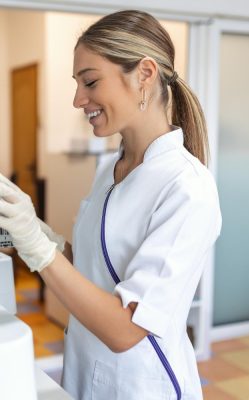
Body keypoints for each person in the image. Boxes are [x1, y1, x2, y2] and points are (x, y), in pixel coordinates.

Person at [0, 9, 221, 400]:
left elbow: (125, 329)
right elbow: (91, 270)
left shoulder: (188, 188)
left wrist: (37, 244)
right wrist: (26, 231)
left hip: (140, 384)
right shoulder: (110, 167)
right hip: (85, 369)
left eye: (90, 81)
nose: (77, 99)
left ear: (144, 75)